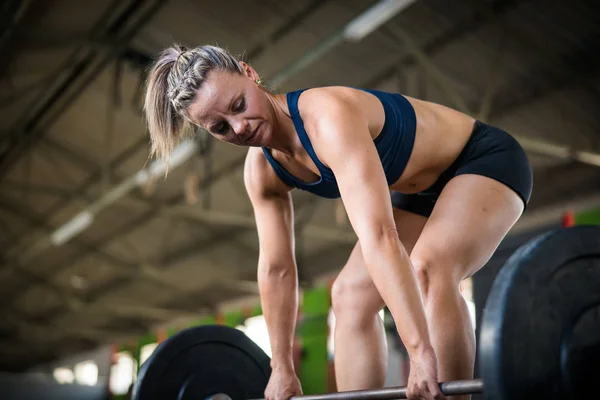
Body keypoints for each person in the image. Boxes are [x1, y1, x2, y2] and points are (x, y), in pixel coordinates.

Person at [143, 44, 533, 400]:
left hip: (480, 160)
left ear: (250, 72)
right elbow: (277, 270)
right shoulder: (262, 172)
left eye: (239, 105)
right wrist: (281, 368)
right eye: (221, 128)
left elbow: (380, 234)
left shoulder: (325, 117)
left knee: (429, 267)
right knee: (348, 295)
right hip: (421, 196)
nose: (240, 126)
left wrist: (419, 353)